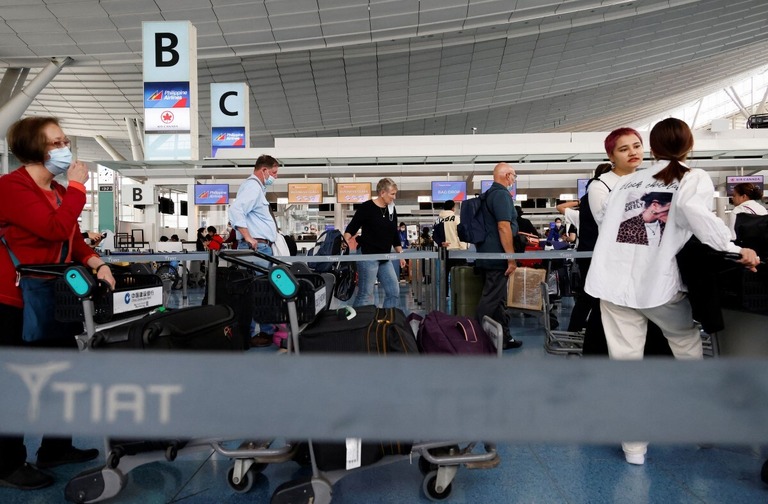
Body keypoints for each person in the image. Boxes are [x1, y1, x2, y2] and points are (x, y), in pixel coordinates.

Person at [584, 117, 760, 466]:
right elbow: (696, 215)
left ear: (652, 147)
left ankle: (634, 447)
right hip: (657, 285)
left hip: (613, 283)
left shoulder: (626, 183)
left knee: (626, 365)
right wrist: (736, 248)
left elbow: (610, 226)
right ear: (689, 145)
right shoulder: (691, 177)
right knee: (687, 346)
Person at [0, 116, 116, 490]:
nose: (65, 148)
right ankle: (6, 463)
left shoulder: (61, 192)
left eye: (65, 140)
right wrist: (80, 188)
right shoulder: (11, 188)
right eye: (56, 142)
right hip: (12, 300)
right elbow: (50, 228)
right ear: (33, 149)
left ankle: (55, 447)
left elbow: (73, 239)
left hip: (54, 295)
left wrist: (96, 263)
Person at [229, 155, 280, 347]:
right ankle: (260, 333)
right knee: (259, 291)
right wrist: (249, 237)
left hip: (261, 247)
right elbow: (236, 211)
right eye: (274, 173)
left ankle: (258, 331)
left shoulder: (257, 188)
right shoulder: (252, 186)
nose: (275, 177)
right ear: (264, 170)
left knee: (259, 290)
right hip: (256, 248)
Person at [475, 163, 522, 349]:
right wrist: (510, 258)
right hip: (498, 257)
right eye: (514, 176)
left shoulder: (488, 195)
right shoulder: (501, 194)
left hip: (489, 254)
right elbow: (504, 227)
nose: (514, 180)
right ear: (508, 175)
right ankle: (475, 338)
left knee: (499, 299)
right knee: (490, 299)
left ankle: (505, 338)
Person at [343, 177, 406, 308]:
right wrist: (345, 240)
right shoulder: (367, 207)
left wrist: (401, 254)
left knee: (394, 292)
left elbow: (394, 233)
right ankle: (358, 324)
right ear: (382, 193)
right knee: (366, 294)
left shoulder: (391, 210)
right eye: (392, 194)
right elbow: (352, 227)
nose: (394, 197)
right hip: (368, 255)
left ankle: (388, 322)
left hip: (384, 256)